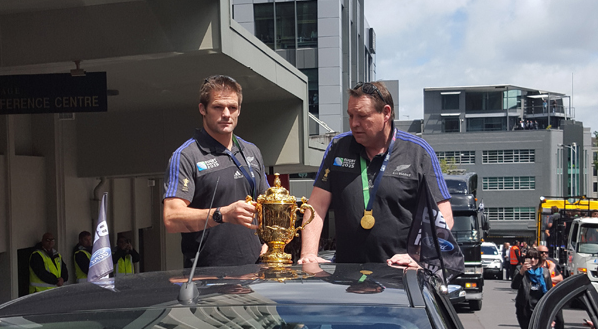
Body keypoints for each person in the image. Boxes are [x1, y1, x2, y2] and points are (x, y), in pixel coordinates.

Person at [298, 81, 453, 266]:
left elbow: (444, 216)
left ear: (386, 113)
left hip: (400, 277)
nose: (354, 123)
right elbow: (316, 205)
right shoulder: (339, 148)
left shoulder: (418, 152)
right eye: (350, 116)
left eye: (362, 116)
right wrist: (308, 255)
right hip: (346, 278)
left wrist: (419, 255)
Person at [163, 75, 269, 268]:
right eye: (218, 107)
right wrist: (222, 214)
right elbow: (171, 219)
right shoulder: (187, 156)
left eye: (233, 108)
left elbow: (267, 205)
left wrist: (271, 243)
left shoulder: (251, 151)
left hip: (255, 273)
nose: (226, 114)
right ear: (202, 109)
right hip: (208, 278)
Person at [511, 247, 561, 329]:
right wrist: (521, 272)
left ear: (538, 260)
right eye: (530, 258)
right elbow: (515, 286)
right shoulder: (520, 269)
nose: (533, 260)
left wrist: (552, 317)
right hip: (524, 310)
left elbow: (549, 295)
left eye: (535, 258)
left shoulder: (545, 272)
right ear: (526, 259)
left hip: (540, 311)